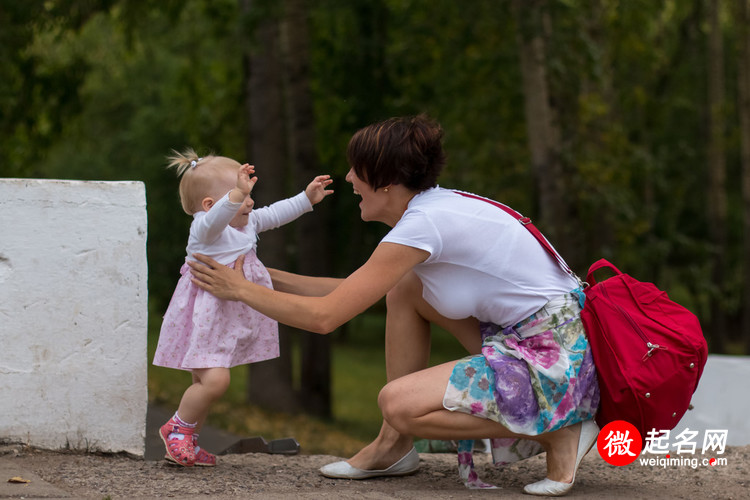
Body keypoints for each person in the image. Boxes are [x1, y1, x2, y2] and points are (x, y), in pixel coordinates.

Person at [186, 115, 601, 496]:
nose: (349, 178)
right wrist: (260, 276)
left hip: (553, 359)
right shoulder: (433, 209)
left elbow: (326, 317)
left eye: (356, 171)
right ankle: (393, 447)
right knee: (404, 289)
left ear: (385, 182)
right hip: (539, 338)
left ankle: (559, 429)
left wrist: (239, 290)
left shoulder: (424, 224)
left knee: (398, 403)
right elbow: (355, 290)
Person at [153, 149, 333, 467]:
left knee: (205, 382)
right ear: (210, 205)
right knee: (216, 381)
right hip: (206, 317)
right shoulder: (206, 229)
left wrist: (305, 199)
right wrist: (237, 194)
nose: (250, 202)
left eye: (250, 194)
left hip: (227, 317)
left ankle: (189, 441)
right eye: (242, 196)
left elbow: (274, 214)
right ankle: (176, 428)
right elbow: (220, 216)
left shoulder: (244, 224)